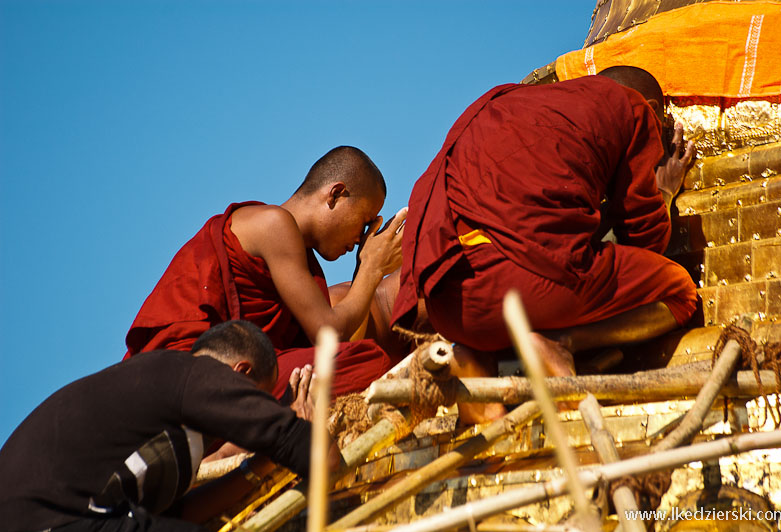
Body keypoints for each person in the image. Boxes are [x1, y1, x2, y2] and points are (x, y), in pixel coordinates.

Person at [392, 67, 698, 423]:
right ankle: (559, 343)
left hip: (450, 306)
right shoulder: (632, 108)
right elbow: (646, 241)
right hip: (524, 289)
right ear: (649, 106)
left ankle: (475, 362)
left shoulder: (505, 100)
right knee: (681, 292)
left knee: (528, 265)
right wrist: (663, 189)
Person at [125, 146, 407, 399]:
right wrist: (373, 268)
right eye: (365, 221)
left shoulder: (304, 265)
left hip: (247, 375)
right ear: (335, 194)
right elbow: (327, 334)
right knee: (370, 361)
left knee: (363, 360)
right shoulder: (274, 224)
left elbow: (336, 345)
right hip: (196, 371)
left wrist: (365, 271)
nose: (362, 238)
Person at [0, 320, 333, 532]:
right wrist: (303, 428)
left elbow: (177, 516)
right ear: (240, 374)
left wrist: (261, 463)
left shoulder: (157, 405)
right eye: (254, 398)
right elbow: (316, 453)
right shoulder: (194, 375)